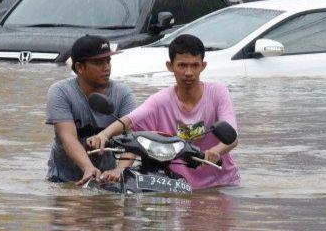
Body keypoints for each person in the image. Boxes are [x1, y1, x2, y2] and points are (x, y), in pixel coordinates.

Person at [88, 34, 240, 190]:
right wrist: (104, 135)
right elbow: (131, 121)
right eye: (182, 65)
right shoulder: (160, 100)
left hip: (222, 184)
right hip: (176, 185)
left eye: (195, 65)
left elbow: (232, 137)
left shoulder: (218, 92)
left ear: (203, 66)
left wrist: (215, 152)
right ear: (170, 66)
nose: (189, 72)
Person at [46, 35, 137, 185]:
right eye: (99, 63)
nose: (106, 68)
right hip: (63, 179)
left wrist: (120, 170)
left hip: (108, 179)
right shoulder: (60, 92)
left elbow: (133, 138)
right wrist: (87, 167)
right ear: (80, 68)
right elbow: (67, 137)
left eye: (108, 61)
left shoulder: (123, 93)